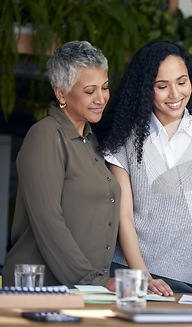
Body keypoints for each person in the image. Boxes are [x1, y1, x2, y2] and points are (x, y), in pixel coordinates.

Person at [96, 40, 192, 295]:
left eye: (182, 82)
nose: (175, 94)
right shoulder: (125, 139)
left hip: (187, 280)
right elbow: (123, 216)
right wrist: (142, 276)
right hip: (128, 274)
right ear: (146, 89)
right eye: (162, 86)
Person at [2, 41, 119, 289]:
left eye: (105, 87)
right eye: (90, 91)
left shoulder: (91, 141)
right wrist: (91, 280)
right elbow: (48, 221)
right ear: (61, 93)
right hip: (40, 288)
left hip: (85, 290)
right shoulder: (45, 136)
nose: (101, 98)